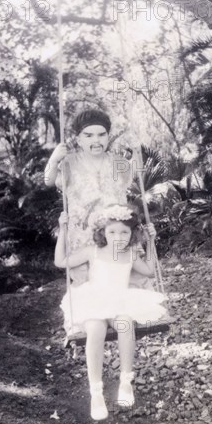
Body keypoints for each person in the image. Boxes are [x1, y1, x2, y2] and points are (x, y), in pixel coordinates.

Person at [55, 204, 167, 421]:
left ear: (132, 234)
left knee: (125, 323)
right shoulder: (93, 251)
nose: (118, 236)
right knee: (95, 330)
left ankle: (126, 382)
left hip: (120, 301)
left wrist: (152, 242)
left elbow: (150, 272)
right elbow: (60, 262)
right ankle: (95, 393)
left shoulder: (131, 255)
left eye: (124, 232)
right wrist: (62, 229)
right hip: (93, 300)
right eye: (112, 231)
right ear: (102, 232)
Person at [44, 109, 136, 290]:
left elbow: (132, 181)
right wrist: (54, 160)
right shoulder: (69, 162)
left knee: (118, 279)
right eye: (88, 135)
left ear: (108, 136)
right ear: (79, 139)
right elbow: (48, 181)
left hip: (114, 231)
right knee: (86, 283)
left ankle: (119, 314)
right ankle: (90, 317)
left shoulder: (119, 162)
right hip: (82, 234)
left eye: (101, 135)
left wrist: (137, 154)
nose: (96, 140)